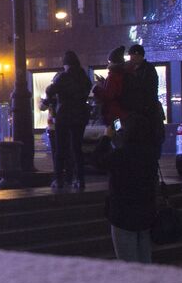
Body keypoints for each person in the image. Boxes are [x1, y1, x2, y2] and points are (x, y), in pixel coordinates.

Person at [95, 112, 156, 263]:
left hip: (123, 215)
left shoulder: (121, 155)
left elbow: (97, 160)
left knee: (128, 261)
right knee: (145, 259)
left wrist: (106, 138)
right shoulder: (150, 155)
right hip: (146, 214)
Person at [45, 51, 92, 191]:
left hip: (64, 115)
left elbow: (50, 90)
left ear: (66, 64)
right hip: (80, 116)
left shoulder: (63, 77)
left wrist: (49, 99)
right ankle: (80, 179)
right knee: (77, 148)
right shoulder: (84, 77)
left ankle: (59, 179)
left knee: (60, 148)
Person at [125, 43, 166, 166]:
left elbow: (147, 90)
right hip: (141, 112)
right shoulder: (140, 70)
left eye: (132, 57)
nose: (131, 59)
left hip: (146, 113)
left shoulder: (147, 70)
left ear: (138, 56)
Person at [93, 46, 129, 127]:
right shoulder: (124, 74)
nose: (108, 63)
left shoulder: (113, 76)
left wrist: (97, 89)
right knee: (120, 132)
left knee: (116, 133)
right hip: (121, 112)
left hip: (114, 113)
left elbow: (108, 95)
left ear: (113, 62)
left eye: (109, 61)